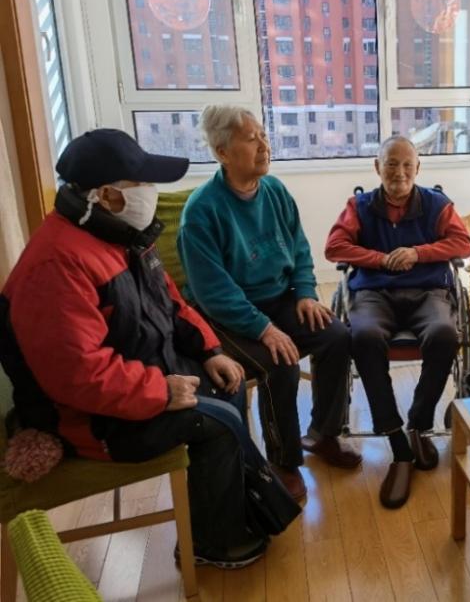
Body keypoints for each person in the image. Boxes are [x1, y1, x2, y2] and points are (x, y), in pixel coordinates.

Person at [0, 129, 272, 568]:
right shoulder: (56, 265)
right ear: (107, 195)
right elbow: (78, 376)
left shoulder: (119, 234)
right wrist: (161, 392)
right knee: (216, 422)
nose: (151, 191)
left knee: (230, 383)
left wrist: (210, 351)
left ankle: (226, 509)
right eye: (142, 182)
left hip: (143, 373)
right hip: (92, 418)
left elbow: (171, 303)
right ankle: (212, 542)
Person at [178, 106, 360, 501]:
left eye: (263, 135)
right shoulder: (202, 212)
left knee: (336, 336)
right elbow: (213, 292)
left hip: (279, 299)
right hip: (225, 317)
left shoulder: (275, 191)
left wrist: (306, 292)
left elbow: (299, 249)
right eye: (251, 139)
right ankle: (284, 461)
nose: (264, 145)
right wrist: (264, 329)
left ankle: (323, 433)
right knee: (280, 360)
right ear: (223, 152)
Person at [325, 136, 470, 508]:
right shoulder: (359, 206)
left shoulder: (437, 204)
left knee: (444, 333)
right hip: (374, 294)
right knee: (363, 335)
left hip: (427, 292)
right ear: (378, 167)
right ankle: (398, 443)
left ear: (418, 168)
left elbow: (463, 244)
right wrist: (379, 259)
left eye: (408, 165)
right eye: (391, 164)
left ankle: (418, 424)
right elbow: (334, 248)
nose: (400, 172)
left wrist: (418, 253)